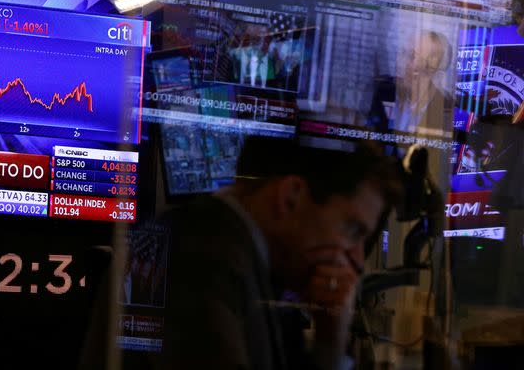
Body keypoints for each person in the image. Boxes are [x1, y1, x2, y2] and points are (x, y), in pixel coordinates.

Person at [158, 136, 402, 370]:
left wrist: (329, 346)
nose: (358, 260)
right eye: (352, 230)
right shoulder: (203, 265)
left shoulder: (251, 264)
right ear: (290, 198)